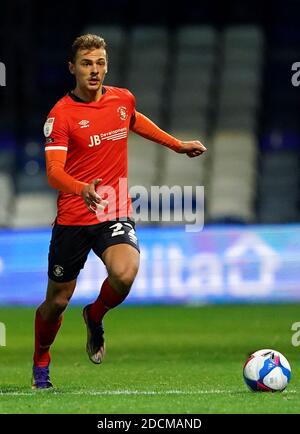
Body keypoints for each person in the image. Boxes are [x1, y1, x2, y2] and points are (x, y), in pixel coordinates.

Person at [32, 34, 207, 389]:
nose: (94, 70)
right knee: (57, 300)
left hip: (113, 209)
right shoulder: (61, 115)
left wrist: (177, 145)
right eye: (86, 64)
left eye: (99, 63)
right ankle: (41, 360)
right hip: (74, 217)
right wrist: (81, 188)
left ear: (106, 65)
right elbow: (53, 171)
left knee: (125, 274)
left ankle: (94, 315)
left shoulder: (121, 99)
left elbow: (134, 119)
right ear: (72, 68)